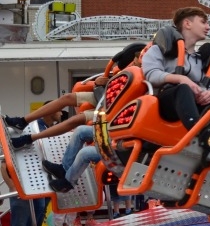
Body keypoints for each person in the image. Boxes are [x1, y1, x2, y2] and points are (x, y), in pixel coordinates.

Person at [6, 42, 146, 149]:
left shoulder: (146, 76)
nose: (132, 64)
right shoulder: (130, 69)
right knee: (67, 98)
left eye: (135, 63)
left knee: (76, 119)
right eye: (133, 61)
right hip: (107, 96)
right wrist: (101, 82)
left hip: (115, 109)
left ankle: (30, 139)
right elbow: (116, 82)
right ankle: (22, 121)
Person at [140, 7, 210, 130]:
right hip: (165, 103)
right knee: (183, 88)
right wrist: (180, 79)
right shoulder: (159, 50)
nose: (208, 27)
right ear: (187, 24)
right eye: (203, 22)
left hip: (194, 103)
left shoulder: (202, 59)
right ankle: (197, 131)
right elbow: (151, 75)